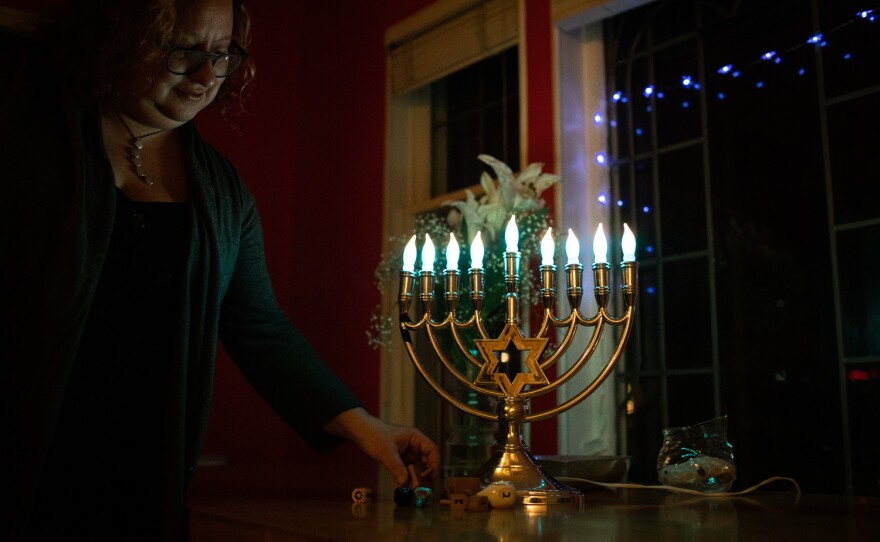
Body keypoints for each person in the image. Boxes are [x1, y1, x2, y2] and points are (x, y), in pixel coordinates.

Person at [0, 0, 439, 539]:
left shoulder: (223, 193)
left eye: (222, 53)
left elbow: (261, 329)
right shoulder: (26, 120)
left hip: (141, 481)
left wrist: (363, 426)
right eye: (183, 50)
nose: (207, 75)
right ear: (123, 40)